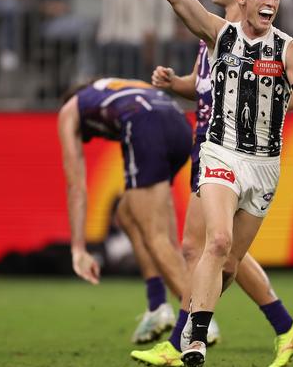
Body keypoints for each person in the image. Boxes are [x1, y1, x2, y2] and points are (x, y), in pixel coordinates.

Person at [148, 0, 293, 367]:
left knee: (226, 265)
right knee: (217, 241)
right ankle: (194, 341)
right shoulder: (219, 35)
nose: (271, 3)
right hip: (220, 152)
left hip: (266, 166)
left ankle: (191, 327)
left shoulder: (289, 50)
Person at [57, 77, 192, 344]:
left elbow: (76, 186)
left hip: (145, 124)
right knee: (127, 215)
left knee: (155, 236)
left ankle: (198, 320)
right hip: (179, 125)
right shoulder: (118, 88)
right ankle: (157, 306)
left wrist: (78, 248)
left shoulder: (70, 109)